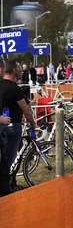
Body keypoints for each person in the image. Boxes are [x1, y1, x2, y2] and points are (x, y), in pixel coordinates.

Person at [0, 60, 37, 196]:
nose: (22, 72)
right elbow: (26, 110)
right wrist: (33, 124)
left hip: (2, 125)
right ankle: (6, 186)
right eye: (20, 70)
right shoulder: (14, 88)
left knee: (5, 156)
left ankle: (10, 182)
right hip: (12, 125)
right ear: (14, 71)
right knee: (12, 158)